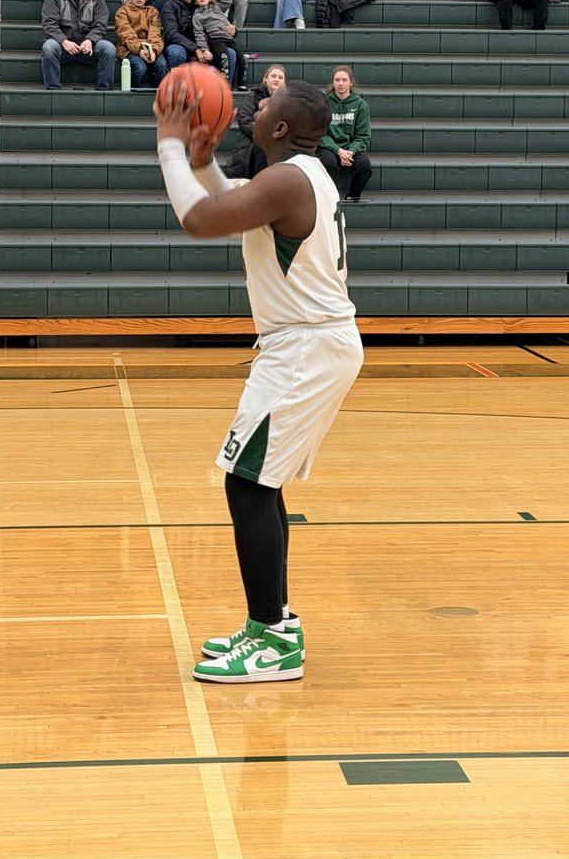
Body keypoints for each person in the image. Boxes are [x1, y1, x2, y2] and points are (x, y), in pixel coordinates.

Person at [154, 78, 363, 683]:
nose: (255, 104)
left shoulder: (287, 177)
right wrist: (202, 161)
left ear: (277, 129)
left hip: (305, 346)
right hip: (305, 344)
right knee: (259, 484)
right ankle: (275, 625)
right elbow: (239, 203)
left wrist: (170, 146)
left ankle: (271, 636)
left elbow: (200, 220)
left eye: (265, 104)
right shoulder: (301, 174)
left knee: (247, 485)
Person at [41, 0, 116, 90]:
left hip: (88, 47)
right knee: (49, 48)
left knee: (108, 48)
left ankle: (104, 91)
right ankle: (53, 91)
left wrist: (90, 40)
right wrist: (63, 41)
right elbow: (49, 24)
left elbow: (101, 24)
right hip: (63, 46)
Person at [316, 65, 373, 204]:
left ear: (351, 82)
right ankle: (330, 196)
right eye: (337, 80)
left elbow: (363, 136)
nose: (340, 83)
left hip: (350, 148)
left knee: (364, 165)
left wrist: (351, 151)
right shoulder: (324, 103)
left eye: (344, 80)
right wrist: (338, 150)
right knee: (328, 162)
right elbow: (320, 133)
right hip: (329, 147)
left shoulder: (360, 105)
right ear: (333, 82)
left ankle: (353, 196)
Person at [224, 64, 287, 179]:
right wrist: (262, 133)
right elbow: (244, 119)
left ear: (284, 83)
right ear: (265, 79)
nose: (277, 79)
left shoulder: (288, 100)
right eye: (273, 76)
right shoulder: (254, 95)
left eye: (280, 77)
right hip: (253, 137)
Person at [114, 0, 168, 88]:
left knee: (162, 65)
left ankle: (158, 93)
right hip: (129, 49)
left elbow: (155, 33)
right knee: (139, 67)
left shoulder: (153, 11)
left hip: (151, 47)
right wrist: (139, 49)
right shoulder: (122, 11)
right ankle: (133, 94)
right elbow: (125, 34)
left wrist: (154, 50)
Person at [162, 0, 207, 69]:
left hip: (200, 43)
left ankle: (225, 84)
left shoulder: (201, 4)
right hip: (177, 44)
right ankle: (176, 83)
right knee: (177, 53)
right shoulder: (170, 4)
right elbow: (171, 33)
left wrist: (232, 30)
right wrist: (196, 49)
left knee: (229, 53)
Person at [192, 0, 238, 84]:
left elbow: (227, 1)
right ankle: (220, 83)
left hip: (225, 39)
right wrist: (204, 49)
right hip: (212, 42)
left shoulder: (217, 8)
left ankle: (228, 83)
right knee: (225, 54)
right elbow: (198, 33)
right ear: (195, 0)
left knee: (233, 53)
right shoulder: (197, 15)